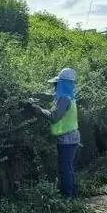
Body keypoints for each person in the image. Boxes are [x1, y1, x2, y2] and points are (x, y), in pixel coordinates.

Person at [31, 68, 81, 199]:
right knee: (68, 168)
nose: (55, 86)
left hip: (67, 139)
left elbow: (54, 117)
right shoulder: (68, 95)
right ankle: (72, 194)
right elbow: (49, 95)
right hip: (71, 137)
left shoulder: (64, 99)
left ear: (62, 84)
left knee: (65, 169)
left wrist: (39, 110)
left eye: (57, 84)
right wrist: (33, 95)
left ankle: (68, 197)